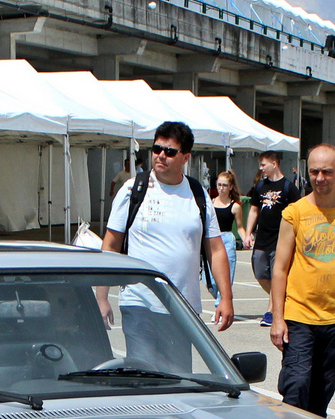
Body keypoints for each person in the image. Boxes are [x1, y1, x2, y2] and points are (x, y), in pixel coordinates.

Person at [100, 121, 234, 370]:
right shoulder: (134, 189)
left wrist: (225, 298)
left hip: (182, 306)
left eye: (169, 151)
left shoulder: (198, 193)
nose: (161, 156)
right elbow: (110, 244)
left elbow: (215, 249)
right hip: (139, 303)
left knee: (179, 378)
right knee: (145, 378)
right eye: (157, 149)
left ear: (185, 157)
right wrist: (102, 296)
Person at [268, 143, 335, 417]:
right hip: (300, 317)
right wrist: (278, 318)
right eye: (314, 172)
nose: (319, 178)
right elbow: (279, 268)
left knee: (322, 394)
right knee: (295, 388)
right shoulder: (295, 213)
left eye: (326, 172)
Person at [242, 150, 303, 327]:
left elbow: (296, 213)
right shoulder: (261, 186)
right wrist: (247, 233)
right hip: (262, 238)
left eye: (263, 165)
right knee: (260, 273)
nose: (261, 169)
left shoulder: (288, 188)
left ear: (274, 164)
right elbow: (254, 209)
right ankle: (282, 298)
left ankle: (271, 311)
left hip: (281, 239)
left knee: (277, 275)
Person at [209, 169, 243, 304]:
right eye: (219, 184)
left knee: (226, 276)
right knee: (210, 279)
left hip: (227, 239)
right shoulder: (210, 204)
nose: (221, 188)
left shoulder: (235, 206)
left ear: (231, 187)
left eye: (224, 185)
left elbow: (240, 227)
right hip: (212, 240)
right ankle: (221, 298)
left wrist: (247, 238)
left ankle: (220, 305)